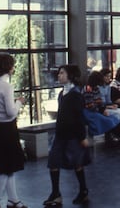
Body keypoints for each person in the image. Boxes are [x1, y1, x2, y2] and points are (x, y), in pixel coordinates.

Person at [44, 65, 90, 207]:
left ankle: (83, 190)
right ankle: (56, 193)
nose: (59, 75)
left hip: (73, 136)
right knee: (53, 162)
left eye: (62, 73)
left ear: (70, 75)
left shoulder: (76, 95)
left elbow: (79, 117)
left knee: (77, 163)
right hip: (60, 135)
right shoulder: (61, 94)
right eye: (59, 73)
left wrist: (82, 137)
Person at [0, 53, 27, 208]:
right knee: (6, 168)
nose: (14, 68)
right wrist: (19, 102)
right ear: (8, 67)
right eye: (12, 65)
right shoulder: (7, 86)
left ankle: (13, 200)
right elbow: (11, 112)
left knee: (7, 167)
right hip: (8, 130)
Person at [83, 71, 120, 144]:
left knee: (113, 118)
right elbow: (90, 105)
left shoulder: (96, 88)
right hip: (89, 112)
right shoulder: (88, 89)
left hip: (96, 110)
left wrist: (103, 109)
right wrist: (102, 110)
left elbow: (99, 101)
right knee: (108, 121)